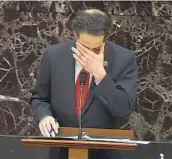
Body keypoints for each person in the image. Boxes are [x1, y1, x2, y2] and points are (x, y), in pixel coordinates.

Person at [31, 9, 137, 159]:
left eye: (96, 49)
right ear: (75, 34)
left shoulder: (124, 59)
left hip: (105, 152)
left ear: (105, 38)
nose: (90, 54)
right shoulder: (54, 55)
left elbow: (123, 108)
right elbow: (39, 98)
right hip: (62, 150)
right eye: (84, 47)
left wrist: (100, 75)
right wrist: (45, 116)